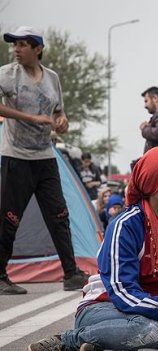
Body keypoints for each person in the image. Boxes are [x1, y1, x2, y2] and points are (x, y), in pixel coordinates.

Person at [26, 146, 158, 351]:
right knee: (154, 332)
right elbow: (123, 293)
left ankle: (99, 345)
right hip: (105, 307)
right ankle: (66, 342)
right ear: (152, 184)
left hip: (152, 310)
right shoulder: (125, 225)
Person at [0, 26, 88, 295]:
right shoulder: (6, 74)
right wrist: (32, 118)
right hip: (16, 156)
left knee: (59, 214)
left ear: (37, 49)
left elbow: (60, 113)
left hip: (45, 157)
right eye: (14, 44)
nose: (16, 49)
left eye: (23, 44)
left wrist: (62, 122)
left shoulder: (51, 78)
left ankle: (71, 273)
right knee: (9, 217)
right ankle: (0, 275)